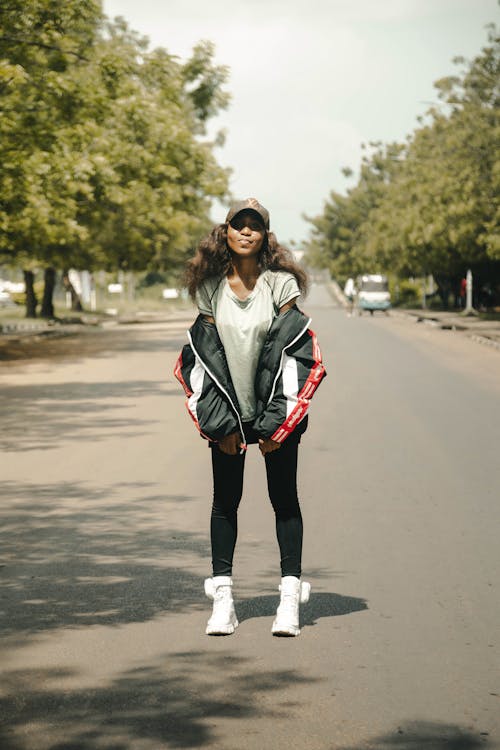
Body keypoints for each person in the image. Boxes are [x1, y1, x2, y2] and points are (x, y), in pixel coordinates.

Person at [174, 198, 326, 637]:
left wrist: (278, 425)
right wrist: (220, 425)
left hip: (275, 412)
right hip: (229, 414)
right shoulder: (210, 289)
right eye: (237, 225)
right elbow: (200, 359)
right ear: (225, 233)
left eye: (254, 227)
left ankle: (289, 598)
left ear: (264, 236)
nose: (245, 232)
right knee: (226, 503)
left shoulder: (280, 286)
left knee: (284, 500)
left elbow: (295, 356)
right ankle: (223, 600)